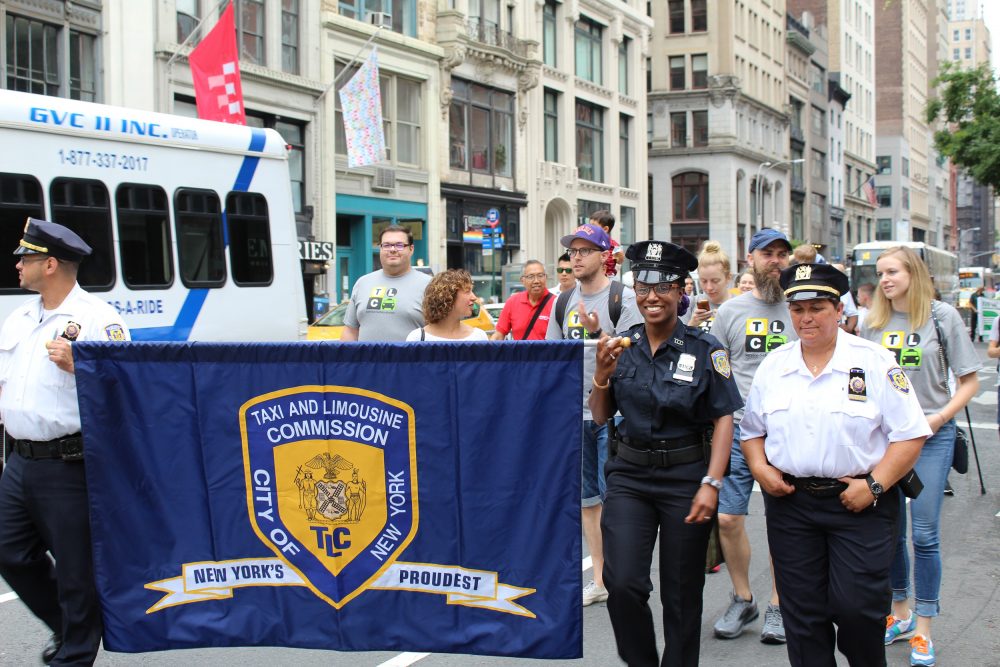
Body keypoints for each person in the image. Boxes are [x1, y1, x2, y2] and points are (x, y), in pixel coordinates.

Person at [740, 262, 931, 667]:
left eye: (817, 308)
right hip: (792, 503)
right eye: (797, 309)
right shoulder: (775, 366)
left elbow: (910, 434)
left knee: (857, 609)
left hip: (860, 501)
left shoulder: (875, 361)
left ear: (838, 309)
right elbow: (752, 430)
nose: (806, 319)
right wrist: (760, 468)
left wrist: (875, 485)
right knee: (803, 616)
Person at [590, 240, 742, 667]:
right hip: (630, 477)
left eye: (662, 287)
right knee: (622, 584)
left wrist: (712, 483)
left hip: (685, 477)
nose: (651, 297)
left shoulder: (705, 347)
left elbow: (724, 417)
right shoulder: (622, 345)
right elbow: (600, 416)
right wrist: (601, 376)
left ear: (681, 291)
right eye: (643, 287)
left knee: (681, 593)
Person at [0, 218, 131, 666]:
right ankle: (69, 626)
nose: (18, 265)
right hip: (19, 460)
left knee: (76, 572)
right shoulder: (20, 316)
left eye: (26, 258)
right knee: (9, 552)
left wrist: (84, 366)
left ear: (50, 264)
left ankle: (73, 655)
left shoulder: (99, 320)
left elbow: (125, 388)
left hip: (68, 463)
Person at [859, 246, 980, 666]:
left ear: (913, 272)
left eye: (892, 271)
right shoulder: (869, 323)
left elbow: (969, 381)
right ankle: (901, 612)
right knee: (890, 532)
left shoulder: (942, 317)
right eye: (880, 273)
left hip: (932, 437)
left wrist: (939, 417)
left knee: (924, 534)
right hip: (887, 442)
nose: (885, 279)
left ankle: (925, 626)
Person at [545, 223, 642, 606]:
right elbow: (551, 358)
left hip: (614, 415)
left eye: (586, 251)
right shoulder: (563, 301)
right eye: (573, 251)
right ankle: (600, 578)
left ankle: (622, 575)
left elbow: (637, 357)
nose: (577, 258)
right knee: (587, 502)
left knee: (615, 498)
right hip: (573, 415)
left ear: (605, 256)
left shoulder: (624, 297)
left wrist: (600, 331)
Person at [710, 227, 795, 644]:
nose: (775, 260)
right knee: (727, 518)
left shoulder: (802, 307)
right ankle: (744, 598)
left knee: (785, 523)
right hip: (741, 429)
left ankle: (781, 605)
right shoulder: (730, 311)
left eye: (782, 253)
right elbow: (717, 370)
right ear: (751, 260)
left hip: (791, 433)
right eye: (768, 254)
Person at [342, 225, 431, 342]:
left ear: (411, 249)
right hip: (367, 360)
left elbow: (441, 332)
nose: (392, 249)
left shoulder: (430, 286)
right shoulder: (363, 283)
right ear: (380, 248)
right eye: (387, 245)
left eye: (399, 245)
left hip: (411, 360)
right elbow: (351, 331)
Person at [405, 269, 487, 342]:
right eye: (467, 291)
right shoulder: (418, 338)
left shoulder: (479, 337)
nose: (474, 297)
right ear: (448, 296)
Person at [490, 260, 554, 340]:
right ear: (522, 280)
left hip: (548, 352)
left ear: (546, 277)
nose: (536, 281)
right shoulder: (512, 302)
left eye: (540, 276)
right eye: (531, 277)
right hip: (520, 352)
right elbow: (499, 334)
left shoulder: (556, 303)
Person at [688, 240, 733, 334]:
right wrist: (692, 325)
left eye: (715, 281)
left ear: (728, 277)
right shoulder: (690, 304)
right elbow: (678, 344)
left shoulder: (739, 306)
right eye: (703, 281)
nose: (709, 287)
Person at [591, 210, 625, 278]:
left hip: (609, 277)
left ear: (605, 229)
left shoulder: (615, 245)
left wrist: (613, 272)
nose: (590, 228)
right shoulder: (590, 242)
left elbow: (620, 261)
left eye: (593, 226)